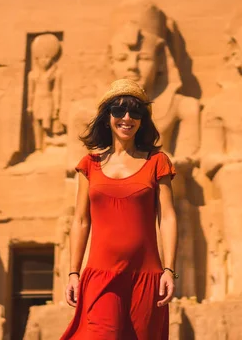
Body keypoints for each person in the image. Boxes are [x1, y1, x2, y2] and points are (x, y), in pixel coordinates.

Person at [60, 79, 178, 339]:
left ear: (142, 120)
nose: (127, 118)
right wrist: (73, 272)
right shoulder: (89, 164)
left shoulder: (157, 162)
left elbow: (167, 217)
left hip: (146, 277)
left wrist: (170, 270)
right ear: (107, 117)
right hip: (101, 276)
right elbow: (80, 221)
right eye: (119, 111)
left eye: (135, 112)